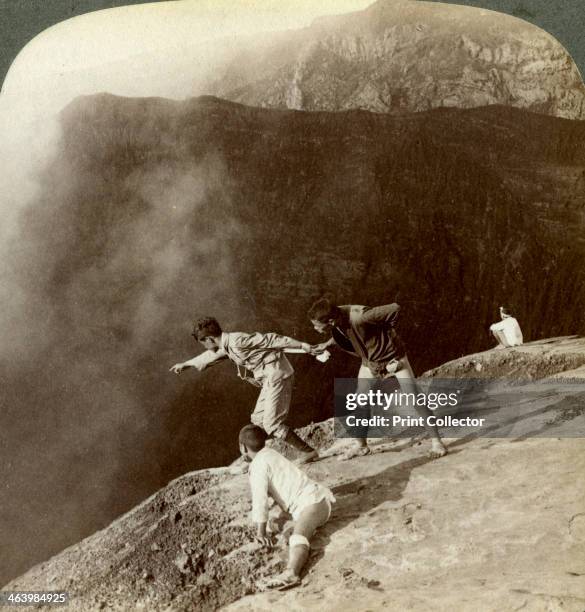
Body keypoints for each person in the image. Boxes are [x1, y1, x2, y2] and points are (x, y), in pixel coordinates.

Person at [308, 297, 448, 460]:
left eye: (316, 325)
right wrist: (326, 344)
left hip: (394, 360)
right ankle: (361, 446)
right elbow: (345, 331)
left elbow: (395, 309)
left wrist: (388, 340)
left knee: (415, 398)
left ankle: (437, 443)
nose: (315, 328)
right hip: (370, 363)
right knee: (360, 402)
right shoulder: (338, 317)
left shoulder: (361, 316)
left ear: (330, 321)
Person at [170, 317, 318, 463]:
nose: (204, 347)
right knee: (257, 420)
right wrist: (186, 364)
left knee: (271, 424)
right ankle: (258, 459)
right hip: (270, 379)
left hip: (278, 375)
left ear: (208, 339)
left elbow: (271, 339)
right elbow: (212, 355)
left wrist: (302, 345)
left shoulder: (237, 341)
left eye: (203, 343)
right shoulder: (227, 345)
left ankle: (308, 452)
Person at [239, 424, 335, 590]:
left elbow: (260, 500)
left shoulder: (257, 467)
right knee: (277, 523)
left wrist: (260, 532)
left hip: (313, 504)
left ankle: (292, 573)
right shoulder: (270, 453)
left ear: (243, 447)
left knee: (297, 537)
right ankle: (293, 537)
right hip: (313, 500)